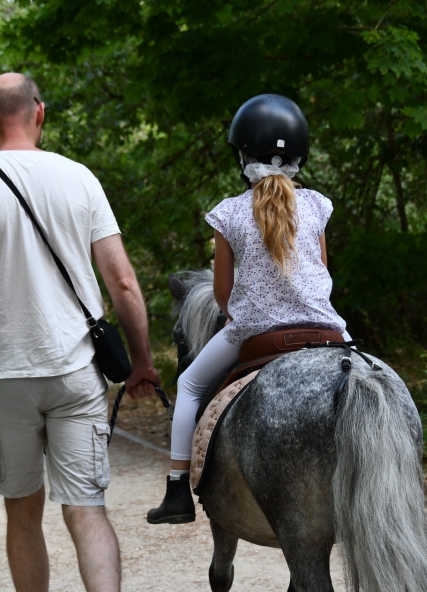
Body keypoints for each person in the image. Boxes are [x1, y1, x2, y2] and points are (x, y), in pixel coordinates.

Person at [0, 72, 160, 592]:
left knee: (23, 512)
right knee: (87, 508)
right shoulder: (79, 179)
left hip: (4, 374)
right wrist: (141, 362)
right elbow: (125, 284)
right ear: (40, 113)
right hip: (74, 371)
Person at [147, 94, 352, 524]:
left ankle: (177, 490)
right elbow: (322, 272)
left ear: (242, 154)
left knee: (188, 385)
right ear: (299, 156)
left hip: (258, 331)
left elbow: (222, 294)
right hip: (327, 331)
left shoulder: (228, 214)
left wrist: (247, 307)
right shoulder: (317, 205)